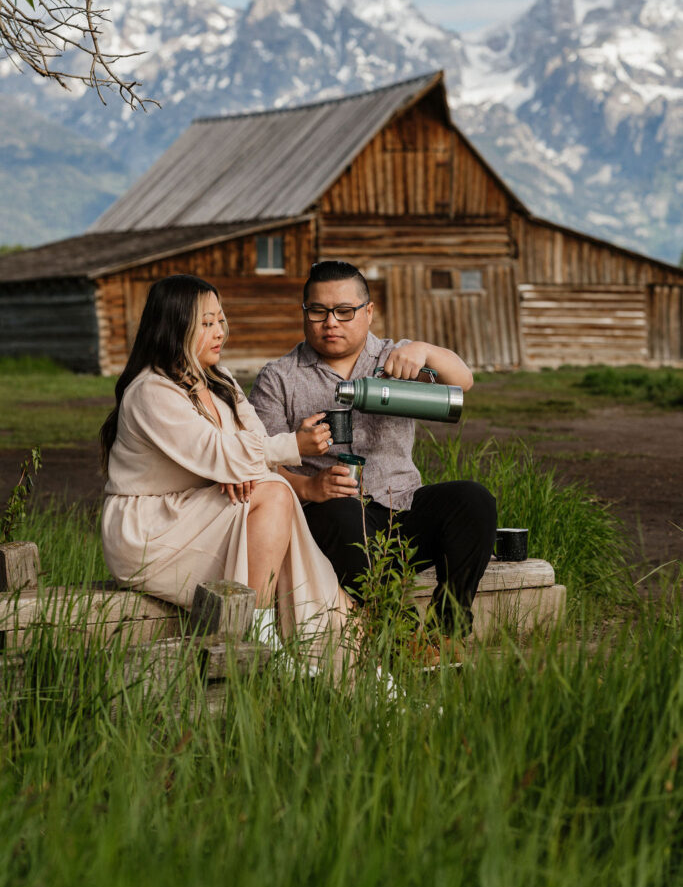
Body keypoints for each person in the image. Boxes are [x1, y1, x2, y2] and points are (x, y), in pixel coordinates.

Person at [99, 274, 353, 660]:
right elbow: (220, 451)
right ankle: (259, 636)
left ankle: (323, 640)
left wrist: (240, 469)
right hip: (148, 527)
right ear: (174, 327)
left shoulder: (218, 378)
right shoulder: (151, 391)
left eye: (220, 319)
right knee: (274, 493)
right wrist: (290, 447)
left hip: (197, 506)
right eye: (205, 323)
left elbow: (248, 438)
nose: (220, 331)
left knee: (272, 494)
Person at [248, 260, 497, 649]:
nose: (331, 322)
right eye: (318, 311)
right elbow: (258, 463)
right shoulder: (279, 378)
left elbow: (462, 382)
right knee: (342, 512)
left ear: (368, 312)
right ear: (305, 313)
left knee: (473, 500)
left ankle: (446, 631)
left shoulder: (396, 358)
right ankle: (397, 634)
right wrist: (310, 485)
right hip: (336, 523)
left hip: (404, 511)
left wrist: (425, 350)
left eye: (345, 311)